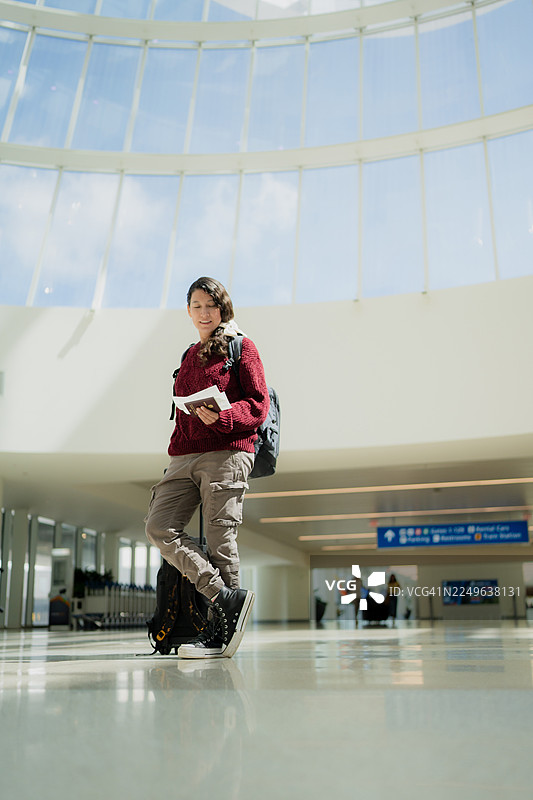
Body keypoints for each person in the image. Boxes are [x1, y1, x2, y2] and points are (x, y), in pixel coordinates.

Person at [145, 277, 270, 659]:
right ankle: (224, 597)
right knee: (159, 527)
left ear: (222, 308)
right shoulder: (189, 354)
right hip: (183, 455)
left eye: (211, 305)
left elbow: (258, 404)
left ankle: (221, 633)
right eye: (197, 306)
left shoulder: (241, 347)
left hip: (227, 451)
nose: (204, 313)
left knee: (220, 538)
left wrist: (225, 417)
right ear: (188, 310)